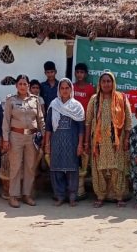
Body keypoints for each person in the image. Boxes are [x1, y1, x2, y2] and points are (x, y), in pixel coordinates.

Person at [85, 72, 132, 208]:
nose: (106, 84)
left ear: (113, 83)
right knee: (99, 169)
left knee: (117, 168)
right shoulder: (94, 99)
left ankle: (119, 196)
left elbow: (128, 120)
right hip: (98, 142)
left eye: (109, 81)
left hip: (116, 141)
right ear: (100, 83)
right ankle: (100, 196)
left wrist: (126, 139)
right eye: (103, 81)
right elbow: (88, 121)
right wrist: (87, 142)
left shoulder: (121, 98)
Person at [1, 74, 45, 208]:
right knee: (15, 166)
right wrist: (5, 139)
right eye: (20, 84)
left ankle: (27, 194)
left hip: (31, 138)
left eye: (25, 84)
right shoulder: (11, 100)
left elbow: (40, 119)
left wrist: (43, 136)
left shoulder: (35, 100)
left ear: (28, 85)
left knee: (30, 167)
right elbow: (6, 121)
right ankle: (13, 196)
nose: (22, 86)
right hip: (16, 137)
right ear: (16, 86)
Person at [44, 78, 85, 207]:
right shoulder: (54, 105)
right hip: (56, 143)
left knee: (72, 169)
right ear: (59, 90)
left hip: (72, 143)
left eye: (67, 88)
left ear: (71, 89)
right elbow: (49, 127)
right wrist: (47, 144)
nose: (65, 90)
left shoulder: (77, 107)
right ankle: (60, 196)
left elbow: (80, 128)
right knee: (56, 169)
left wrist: (80, 144)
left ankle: (72, 196)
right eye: (62, 88)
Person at [73, 63, 95, 154]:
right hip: (74, 120)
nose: (79, 74)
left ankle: (84, 166)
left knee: (85, 145)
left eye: (82, 72)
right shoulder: (72, 87)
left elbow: (93, 106)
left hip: (86, 122)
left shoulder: (90, 88)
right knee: (74, 143)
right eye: (77, 72)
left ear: (86, 74)